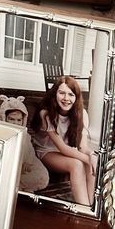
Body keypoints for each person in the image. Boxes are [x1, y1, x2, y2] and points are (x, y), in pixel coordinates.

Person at [31, 75, 96, 207]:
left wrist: (92, 156)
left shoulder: (81, 113)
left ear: (76, 97)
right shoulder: (46, 114)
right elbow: (62, 148)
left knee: (92, 163)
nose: (66, 98)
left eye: (71, 95)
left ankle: (91, 206)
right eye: (62, 93)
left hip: (66, 151)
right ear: (55, 94)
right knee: (77, 164)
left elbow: (83, 146)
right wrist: (88, 159)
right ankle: (83, 208)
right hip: (46, 151)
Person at [0, 94, 49, 193]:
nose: (15, 123)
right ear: (4, 118)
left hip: (26, 165)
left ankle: (23, 186)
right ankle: (18, 186)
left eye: (19, 120)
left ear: (23, 120)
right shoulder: (1, 134)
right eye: (11, 119)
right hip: (11, 167)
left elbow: (29, 150)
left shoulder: (25, 136)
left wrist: (28, 162)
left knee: (42, 176)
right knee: (6, 176)